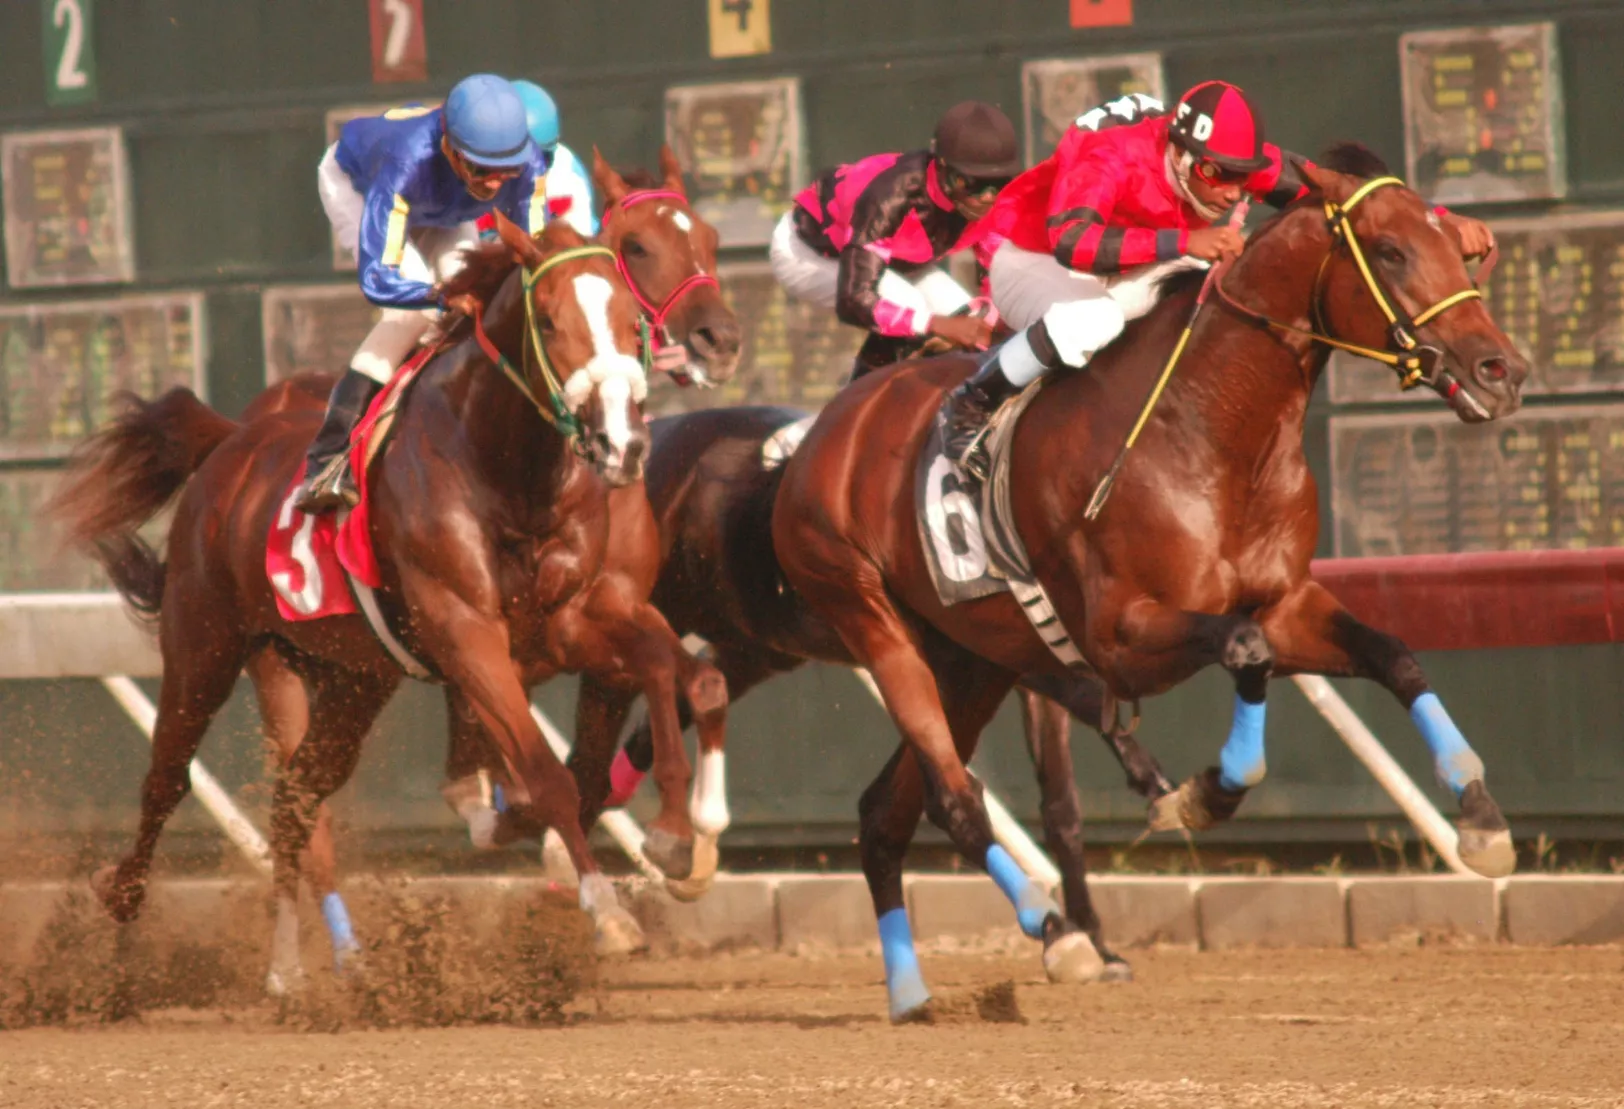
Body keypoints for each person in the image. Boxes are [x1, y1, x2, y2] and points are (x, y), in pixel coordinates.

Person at [940, 80, 1496, 478]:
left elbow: (1352, 198)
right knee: (1096, 319)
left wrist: (1440, 221)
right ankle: (973, 400)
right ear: (1177, 154)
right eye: (1214, 174)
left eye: (1243, 177)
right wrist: (1184, 242)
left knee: (1211, 303)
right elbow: (1074, 244)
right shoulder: (1111, 155)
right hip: (1033, 259)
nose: (1231, 192)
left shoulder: (1230, 161)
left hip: (1129, 260)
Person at [294, 74, 549, 514]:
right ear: (449, 146)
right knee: (413, 317)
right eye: (480, 169)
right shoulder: (405, 160)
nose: (492, 185)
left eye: (503, 171)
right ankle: (328, 457)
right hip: (358, 185)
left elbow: (539, 261)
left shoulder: (530, 164)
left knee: (480, 309)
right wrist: (440, 296)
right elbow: (379, 278)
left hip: (444, 204)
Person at [770, 100, 1022, 379]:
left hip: (894, 259)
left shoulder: (998, 203)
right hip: (806, 252)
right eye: (970, 183)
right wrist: (935, 324)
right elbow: (855, 300)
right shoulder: (890, 198)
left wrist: (992, 319)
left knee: (969, 321)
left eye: (998, 183)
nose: (986, 198)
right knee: (912, 308)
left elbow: (997, 281)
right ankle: (853, 410)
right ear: (941, 168)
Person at [509, 80, 597, 237]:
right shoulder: (471, 171)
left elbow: (580, 244)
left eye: (544, 158)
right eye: (517, 163)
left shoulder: (566, 173)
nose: (532, 169)